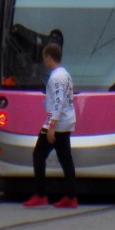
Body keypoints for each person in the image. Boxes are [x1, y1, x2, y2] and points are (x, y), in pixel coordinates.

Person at [22, 42, 77, 208]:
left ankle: (40, 194)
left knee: (38, 154)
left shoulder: (55, 77)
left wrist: (52, 126)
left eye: (44, 58)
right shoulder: (65, 74)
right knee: (65, 159)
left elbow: (58, 102)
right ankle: (71, 196)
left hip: (56, 122)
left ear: (48, 57)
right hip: (66, 120)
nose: (43, 62)